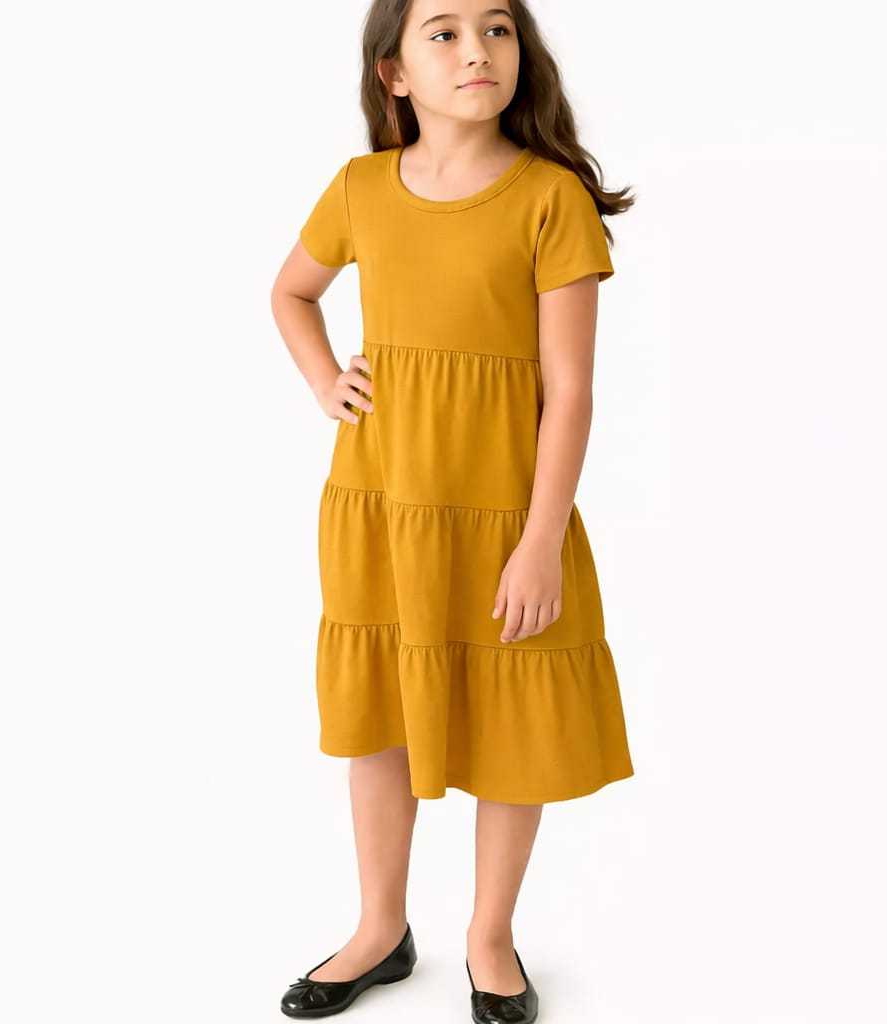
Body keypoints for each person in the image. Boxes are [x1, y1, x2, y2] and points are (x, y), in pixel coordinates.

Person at [270, 1, 637, 1019]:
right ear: (393, 73)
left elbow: (570, 391)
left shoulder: (549, 198)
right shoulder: (360, 188)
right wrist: (325, 382)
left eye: (498, 28)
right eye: (443, 32)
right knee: (378, 716)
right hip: (381, 503)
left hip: (504, 512)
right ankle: (379, 928)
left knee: (510, 717)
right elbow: (291, 292)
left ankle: (489, 935)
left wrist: (540, 542)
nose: (477, 50)